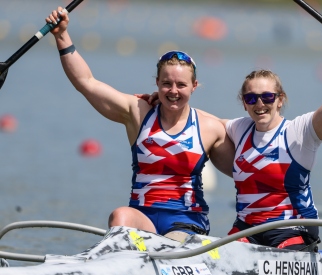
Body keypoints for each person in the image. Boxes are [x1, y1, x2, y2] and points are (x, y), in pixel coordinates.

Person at [45, 7, 234, 241]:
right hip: (142, 218)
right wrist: (62, 35)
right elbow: (86, 82)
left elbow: (246, 173)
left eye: (181, 85)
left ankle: (150, 258)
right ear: (156, 83)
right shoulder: (137, 112)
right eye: (166, 84)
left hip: (186, 223)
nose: (173, 91)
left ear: (194, 86)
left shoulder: (210, 127)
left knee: (172, 242)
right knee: (119, 216)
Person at [222, 32, 322, 251]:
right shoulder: (238, 128)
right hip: (246, 229)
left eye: (267, 97)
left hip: (292, 230)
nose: (259, 104)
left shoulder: (300, 132)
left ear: (280, 100)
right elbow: (196, 121)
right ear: (244, 103)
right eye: (251, 98)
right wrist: (158, 103)